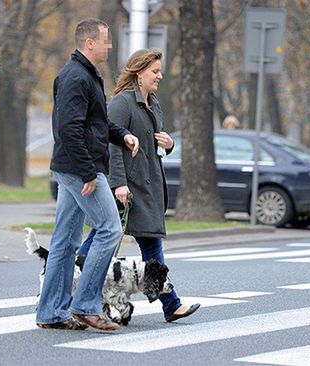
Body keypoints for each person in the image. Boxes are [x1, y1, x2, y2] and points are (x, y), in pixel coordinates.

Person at [78, 48, 200, 322]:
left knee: (151, 246)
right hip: (127, 187)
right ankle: (73, 287)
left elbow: (152, 144)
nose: (160, 75)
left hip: (149, 185)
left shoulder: (153, 103)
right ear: (139, 72)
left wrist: (169, 145)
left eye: (160, 70)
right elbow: (112, 144)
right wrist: (119, 183)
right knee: (102, 240)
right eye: (155, 71)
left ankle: (171, 304)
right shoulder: (122, 103)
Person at [35, 18, 139, 332]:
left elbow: (96, 124)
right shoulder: (75, 77)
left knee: (65, 241)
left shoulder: (86, 75)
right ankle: (85, 305)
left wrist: (122, 136)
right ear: (89, 43)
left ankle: (51, 311)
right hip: (80, 169)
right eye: (105, 41)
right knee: (109, 230)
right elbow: (68, 129)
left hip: (73, 167)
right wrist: (88, 172)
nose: (109, 46)